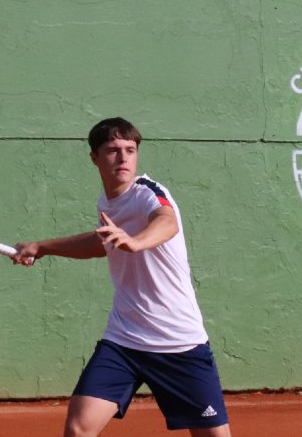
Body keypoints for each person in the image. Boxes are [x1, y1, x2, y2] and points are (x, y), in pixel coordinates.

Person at [12, 117, 231, 437]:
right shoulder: (108, 204)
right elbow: (101, 242)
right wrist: (41, 247)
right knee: (78, 428)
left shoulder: (147, 192)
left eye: (130, 149)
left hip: (178, 341)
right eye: (113, 150)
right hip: (124, 340)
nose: (123, 157)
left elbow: (166, 222)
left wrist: (136, 241)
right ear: (95, 158)